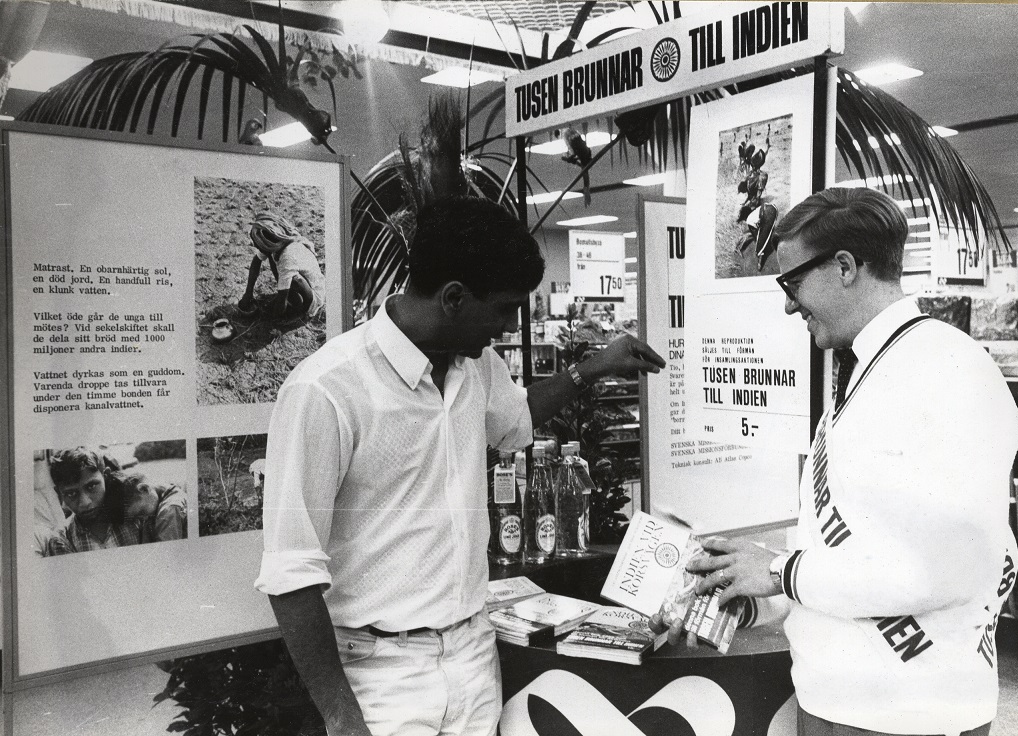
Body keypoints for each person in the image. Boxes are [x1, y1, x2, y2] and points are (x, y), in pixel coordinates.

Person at [254, 195, 665, 736]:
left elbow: (516, 422)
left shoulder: (475, 365)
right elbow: (291, 573)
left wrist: (594, 367)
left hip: (473, 654)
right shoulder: (324, 391)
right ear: (453, 298)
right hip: (381, 675)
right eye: (500, 311)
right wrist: (342, 719)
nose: (504, 329)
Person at [655, 187, 1018, 736]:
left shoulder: (949, 370)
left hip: (910, 712)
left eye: (792, 282)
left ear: (845, 266)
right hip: (837, 700)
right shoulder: (869, 369)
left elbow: (947, 568)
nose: (787, 303)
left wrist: (778, 569)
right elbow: (839, 547)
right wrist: (744, 592)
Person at [42, 450, 189, 555]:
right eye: (71, 493)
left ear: (105, 476)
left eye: (92, 486)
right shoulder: (62, 541)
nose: (85, 503)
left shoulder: (136, 515)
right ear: (59, 494)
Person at [238, 211, 327, 320]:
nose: (256, 247)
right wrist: (248, 292)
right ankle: (292, 300)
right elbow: (256, 262)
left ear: (268, 243)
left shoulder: (288, 256)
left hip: (313, 296)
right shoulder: (277, 242)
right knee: (272, 258)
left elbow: (281, 299)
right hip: (299, 282)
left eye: (259, 246)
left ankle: (302, 311)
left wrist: (273, 318)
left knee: (294, 280)